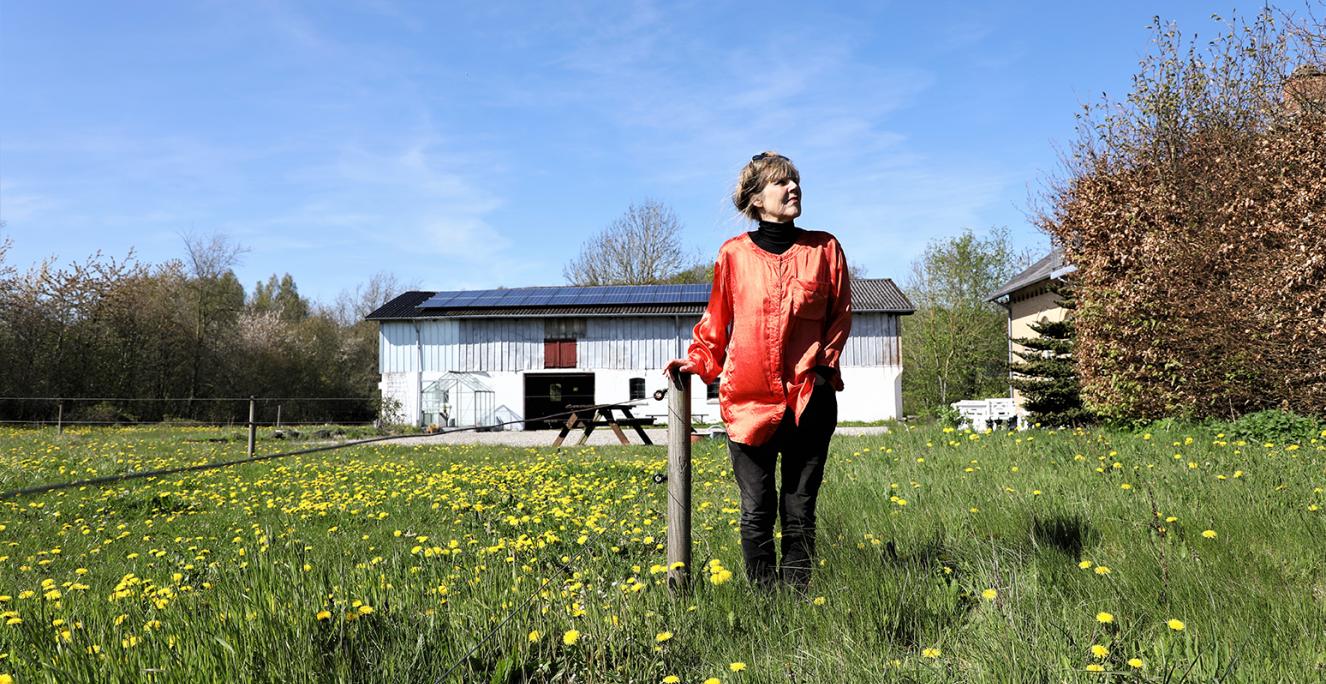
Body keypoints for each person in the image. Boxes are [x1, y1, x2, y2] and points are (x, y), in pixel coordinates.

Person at [663, 151, 852, 593]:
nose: (793, 189)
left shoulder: (825, 249)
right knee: (757, 509)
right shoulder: (733, 255)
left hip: (810, 398)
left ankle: (797, 597)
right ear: (755, 198)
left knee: (800, 508)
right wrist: (696, 362)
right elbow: (716, 323)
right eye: (781, 183)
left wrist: (823, 369)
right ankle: (764, 600)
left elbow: (840, 315)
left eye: (796, 181)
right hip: (747, 402)